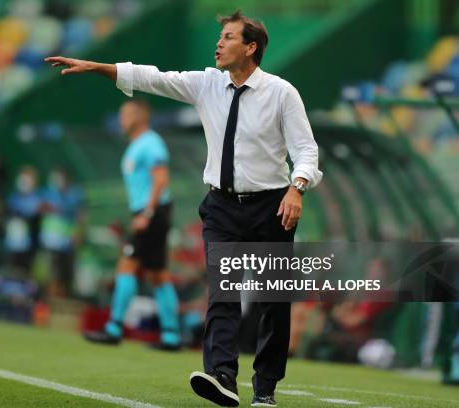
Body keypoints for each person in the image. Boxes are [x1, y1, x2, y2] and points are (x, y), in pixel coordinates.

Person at [46, 9, 323, 406]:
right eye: (220, 37)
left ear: (251, 47)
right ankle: (223, 375)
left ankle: (266, 388)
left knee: (271, 303)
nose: (219, 43)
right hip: (221, 207)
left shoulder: (282, 92)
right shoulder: (205, 84)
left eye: (228, 37)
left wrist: (297, 188)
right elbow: (152, 77)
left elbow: (306, 150)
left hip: (272, 206)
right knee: (222, 294)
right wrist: (96, 66)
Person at [83, 98, 182, 351]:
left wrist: (146, 214)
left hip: (152, 212)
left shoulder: (151, 143)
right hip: (151, 212)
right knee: (157, 274)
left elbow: (161, 180)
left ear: (139, 117)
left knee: (126, 266)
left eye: (125, 114)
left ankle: (114, 328)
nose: (121, 120)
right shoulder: (137, 145)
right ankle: (171, 336)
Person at [38, 168, 85, 297]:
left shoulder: (75, 194)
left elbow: (80, 216)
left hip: (68, 243)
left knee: (67, 275)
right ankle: (52, 300)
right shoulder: (47, 193)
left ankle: (64, 299)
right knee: (52, 274)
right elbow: (40, 208)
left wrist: (78, 233)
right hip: (50, 242)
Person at [4, 166, 41, 273]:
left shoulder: (37, 200)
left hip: (28, 249)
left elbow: (32, 216)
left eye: (28, 179)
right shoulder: (13, 198)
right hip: (11, 246)